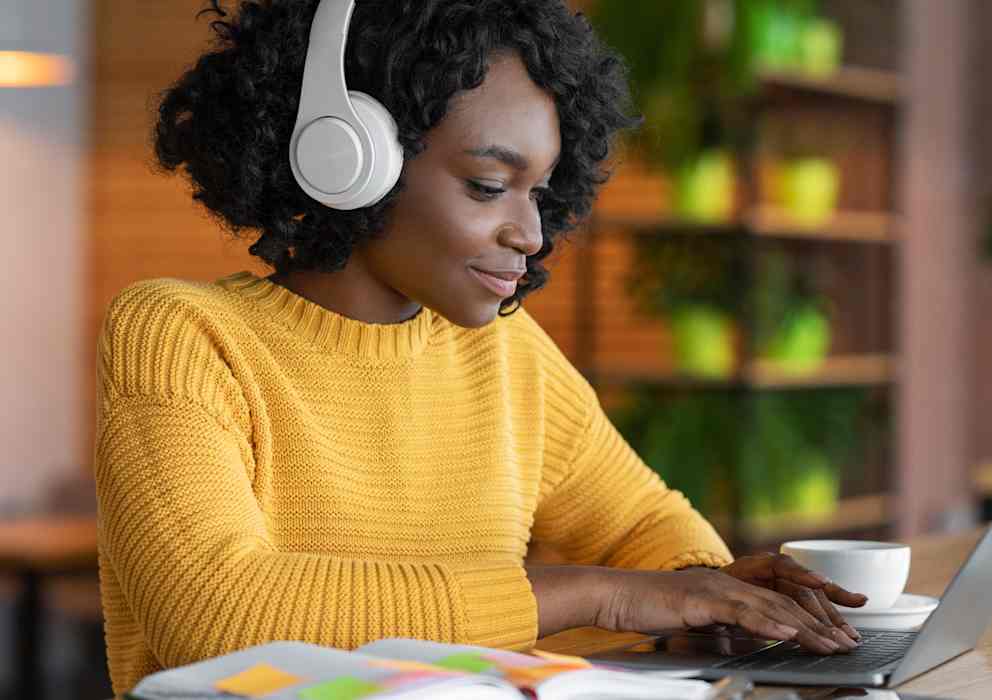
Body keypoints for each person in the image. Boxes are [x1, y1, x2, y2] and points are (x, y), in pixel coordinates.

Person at [93, 0, 866, 694]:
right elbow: (216, 614)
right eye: (490, 187)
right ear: (349, 159)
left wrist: (711, 592)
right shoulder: (180, 335)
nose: (530, 235)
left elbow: (652, 533)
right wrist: (603, 596)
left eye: (540, 192)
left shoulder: (505, 354)